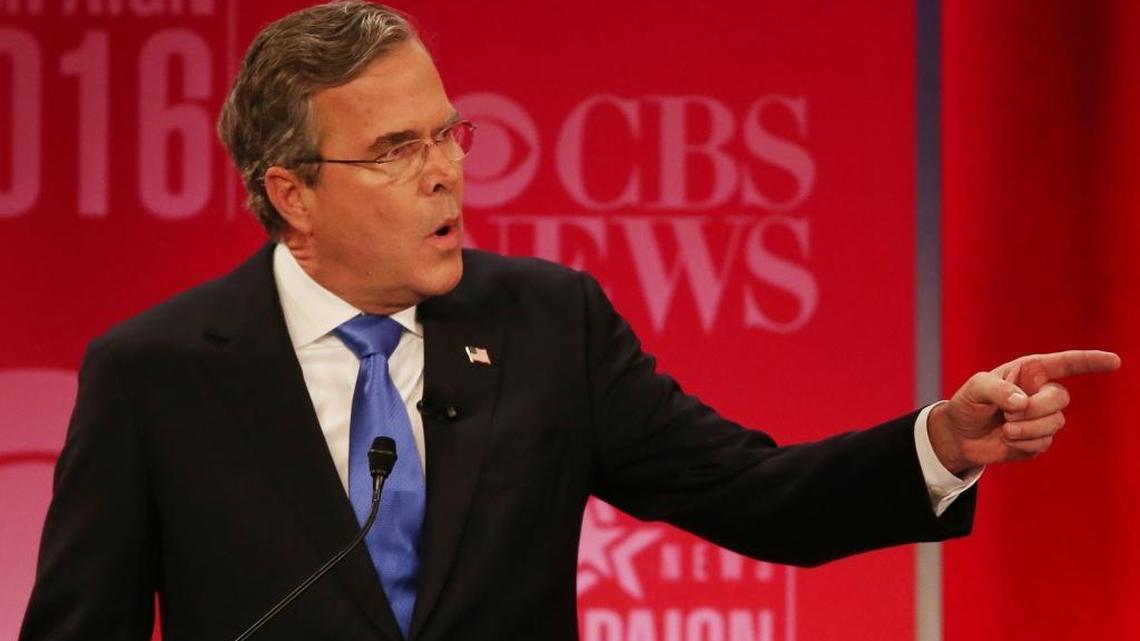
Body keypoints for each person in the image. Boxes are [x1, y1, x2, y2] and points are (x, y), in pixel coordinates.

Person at [19, 2, 1120, 641]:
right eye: (397, 151)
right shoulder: (154, 374)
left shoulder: (548, 324)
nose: (445, 173)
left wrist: (938, 444)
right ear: (292, 194)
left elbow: (753, 493)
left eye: (447, 134)